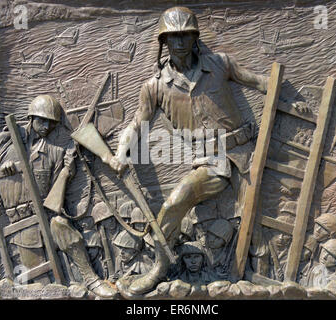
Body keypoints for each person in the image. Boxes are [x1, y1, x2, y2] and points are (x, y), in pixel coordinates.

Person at [110, 7, 269, 294]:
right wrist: (122, 153)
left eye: (185, 35)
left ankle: (266, 277)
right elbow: (137, 124)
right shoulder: (155, 86)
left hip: (247, 152)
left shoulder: (220, 64)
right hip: (210, 161)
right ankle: (159, 267)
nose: (180, 42)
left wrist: (289, 99)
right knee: (174, 203)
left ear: (194, 37)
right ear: (164, 42)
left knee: (258, 217)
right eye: (173, 37)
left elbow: (258, 82)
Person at [0, 95, 116, 298]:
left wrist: (67, 170)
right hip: (17, 222)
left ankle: (91, 279)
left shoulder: (55, 152)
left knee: (60, 224)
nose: (46, 126)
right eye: (42, 120)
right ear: (31, 118)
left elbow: (55, 195)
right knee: (35, 284)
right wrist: (4, 167)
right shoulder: (7, 144)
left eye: (51, 123)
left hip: (42, 216)